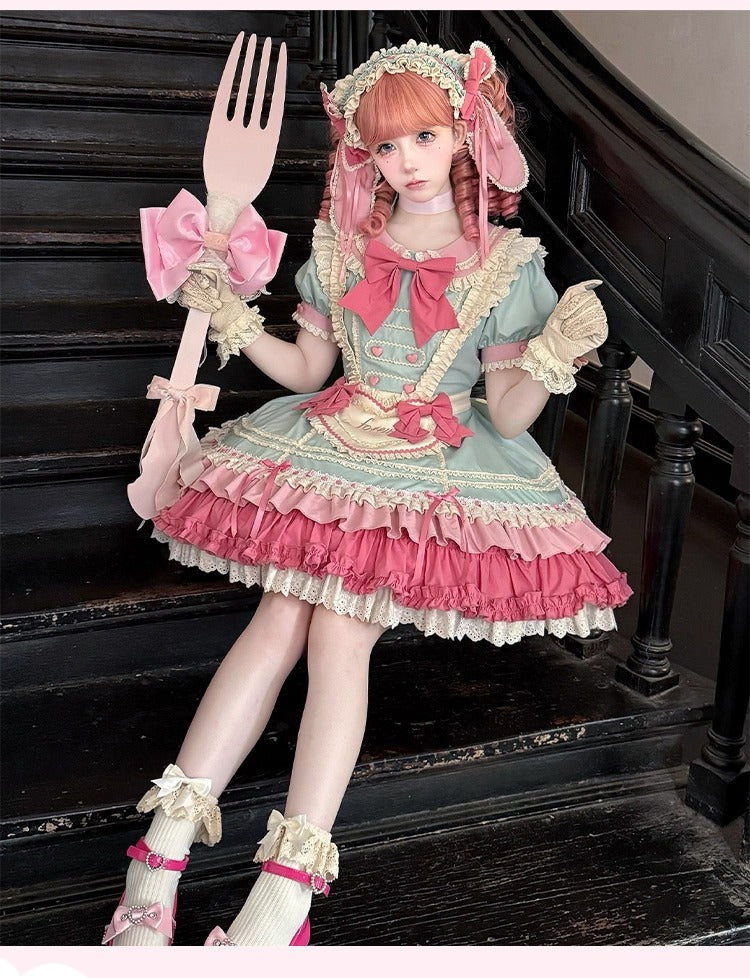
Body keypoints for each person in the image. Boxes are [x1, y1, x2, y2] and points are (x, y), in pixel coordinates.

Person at [103, 38, 632, 947]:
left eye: (424, 137)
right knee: (279, 617)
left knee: (340, 635)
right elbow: (308, 370)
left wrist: (553, 355)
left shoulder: (506, 263)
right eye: (385, 145)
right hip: (331, 447)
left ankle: (283, 897)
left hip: (429, 468)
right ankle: (158, 860)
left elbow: (508, 417)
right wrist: (232, 316)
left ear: (464, 135)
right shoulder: (343, 248)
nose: (406, 161)